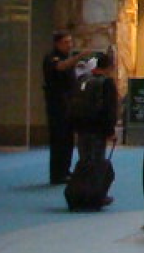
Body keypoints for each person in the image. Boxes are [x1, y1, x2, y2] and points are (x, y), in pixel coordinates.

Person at [68, 52, 121, 208]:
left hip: (82, 128)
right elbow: (109, 110)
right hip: (98, 129)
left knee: (84, 161)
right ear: (109, 67)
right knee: (97, 162)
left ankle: (80, 193)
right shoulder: (106, 83)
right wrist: (110, 130)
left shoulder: (82, 80)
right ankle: (94, 195)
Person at [41, 31, 85, 184]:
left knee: (67, 139)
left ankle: (65, 170)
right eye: (66, 42)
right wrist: (79, 57)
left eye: (70, 42)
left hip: (68, 103)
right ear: (58, 43)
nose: (69, 45)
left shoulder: (67, 58)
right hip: (56, 105)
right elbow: (60, 67)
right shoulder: (52, 57)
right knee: (59, 139)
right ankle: (57, 174)